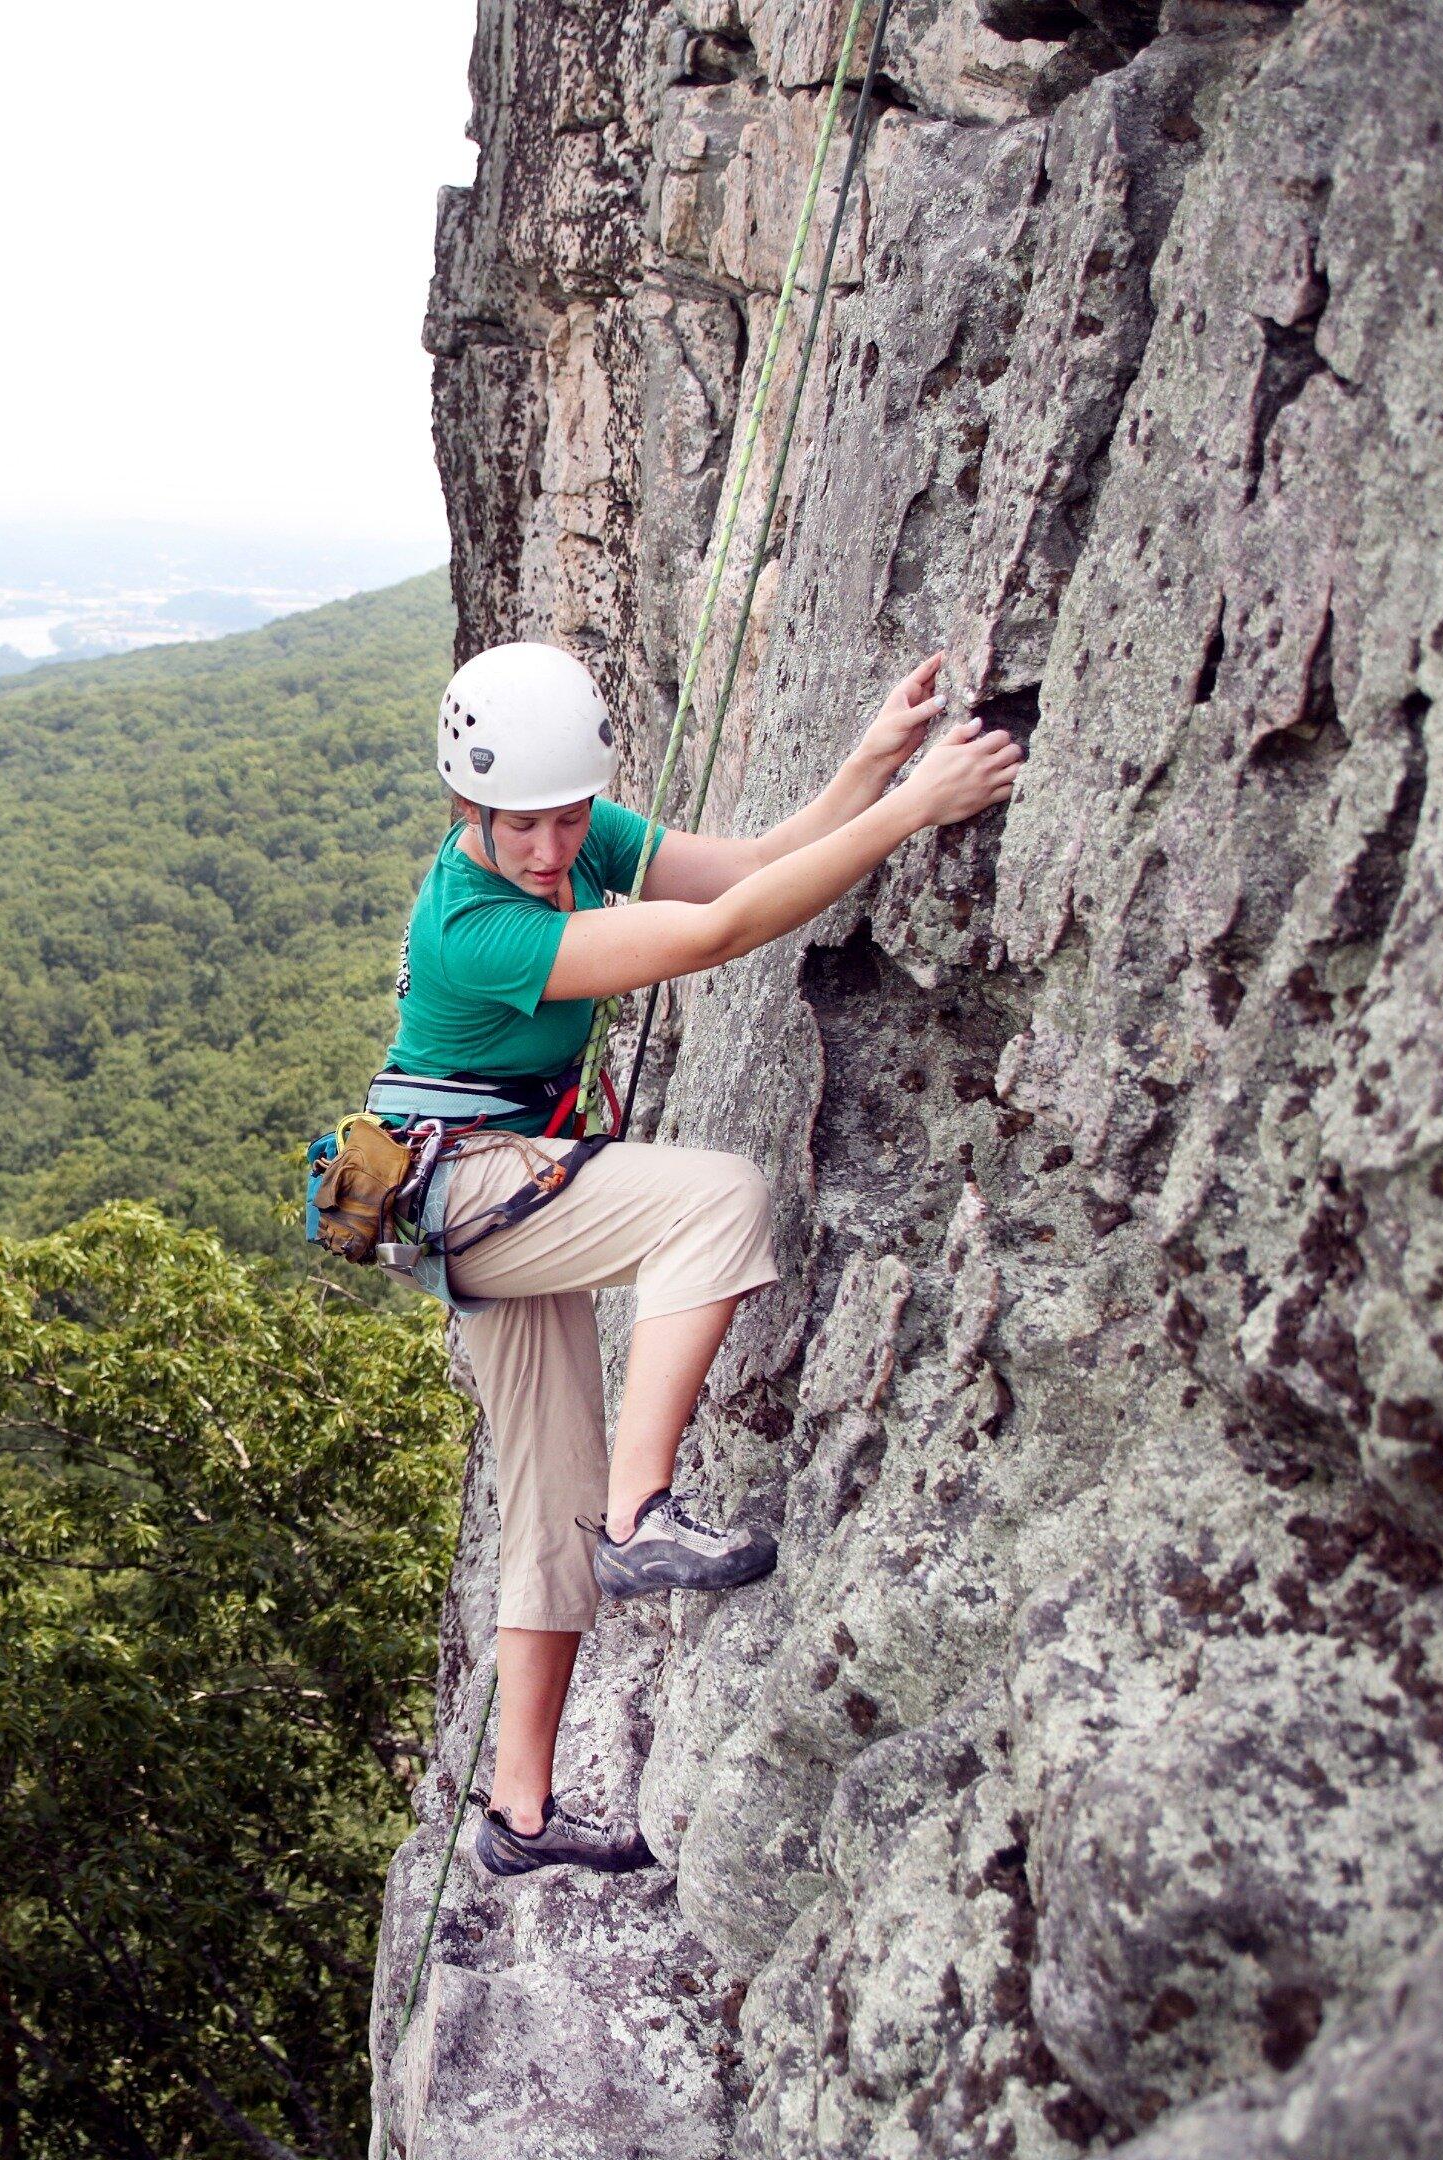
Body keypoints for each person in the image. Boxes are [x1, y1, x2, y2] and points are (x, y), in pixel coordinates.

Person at [373, 639, 1022, 1878]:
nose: (551, 851)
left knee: (548, 1499)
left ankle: (519, 1817)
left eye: (568, 819)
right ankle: (643, 1514)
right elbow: (723, 933)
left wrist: (874, 767)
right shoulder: (474, 930)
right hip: (466, 1184)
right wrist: (914, 813)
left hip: (476, 1186)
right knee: (718, 1200)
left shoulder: (577, 834)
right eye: (522, 827)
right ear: (468, 808)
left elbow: (748, 866)